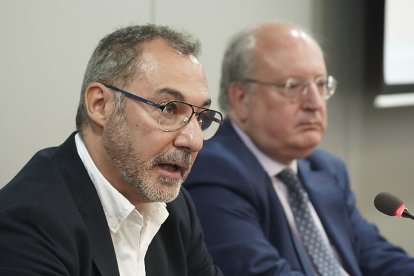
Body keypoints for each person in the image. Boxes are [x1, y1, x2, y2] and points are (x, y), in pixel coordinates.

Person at [184, 22, 414, 275]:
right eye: (292, 86)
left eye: (320, 84)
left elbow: (376, 254)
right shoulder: (213, 171)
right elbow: (261, 271)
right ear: (241, 98)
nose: (315, 103)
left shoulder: (326, 168)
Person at [0, 24, 224, 276]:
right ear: (100, 105)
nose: (194, 141)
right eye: (169, 108)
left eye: (201, 118)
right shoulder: (28, 221)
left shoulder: (176, 207)